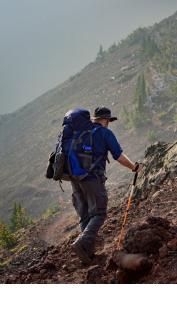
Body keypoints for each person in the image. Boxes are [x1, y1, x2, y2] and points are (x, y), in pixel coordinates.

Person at [67, 106, 142, 264]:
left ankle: (88, 254)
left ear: (94, 118)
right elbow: (119, 157)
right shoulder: (105, 133)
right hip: (93, 179)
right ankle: (81, 244)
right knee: (99, 214)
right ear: (107, 119)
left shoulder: (80, 132)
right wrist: (134, 168)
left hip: (75, 179)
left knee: (85, 216)